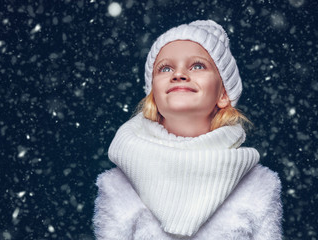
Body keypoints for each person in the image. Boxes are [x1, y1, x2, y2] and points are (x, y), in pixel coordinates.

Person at [93, 20, 282, 239]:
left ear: (223, 94)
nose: (179, 74)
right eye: (165, 68)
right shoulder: (119, 186)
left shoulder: (258, 186)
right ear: (153, 95)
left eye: (198, 66)